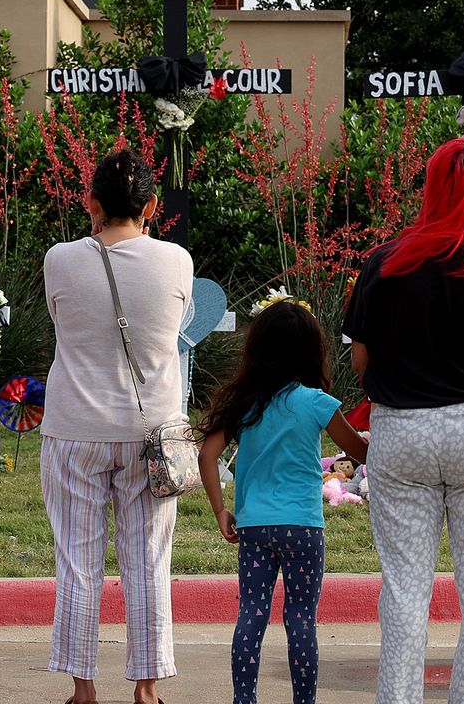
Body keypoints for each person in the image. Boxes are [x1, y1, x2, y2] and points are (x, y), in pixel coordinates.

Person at [341, 137, 464, 704]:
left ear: (430, 189)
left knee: (405, 590)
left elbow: (361, 361)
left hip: (403, 434)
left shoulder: (385, 264)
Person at [41, 148, 193, 704]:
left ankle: (83, 690)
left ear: (92, 203)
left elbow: (65, 322)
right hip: (153, 436)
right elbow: (174, 326)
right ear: (152, 204)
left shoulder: (61, 259)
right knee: (148, 561)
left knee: (79, 562)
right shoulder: (177, 261)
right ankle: (147, 690)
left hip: (75, 427)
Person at [197, 300, 370, 704]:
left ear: (258, 348)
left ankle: (245, 699)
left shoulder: (246, 402)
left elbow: (207, 454)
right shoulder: (316, 403)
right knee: (301, 620)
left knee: (251, 616)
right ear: (311, 350)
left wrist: (220, 508)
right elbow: (359, 454)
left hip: (254, 526)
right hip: (304, 528)